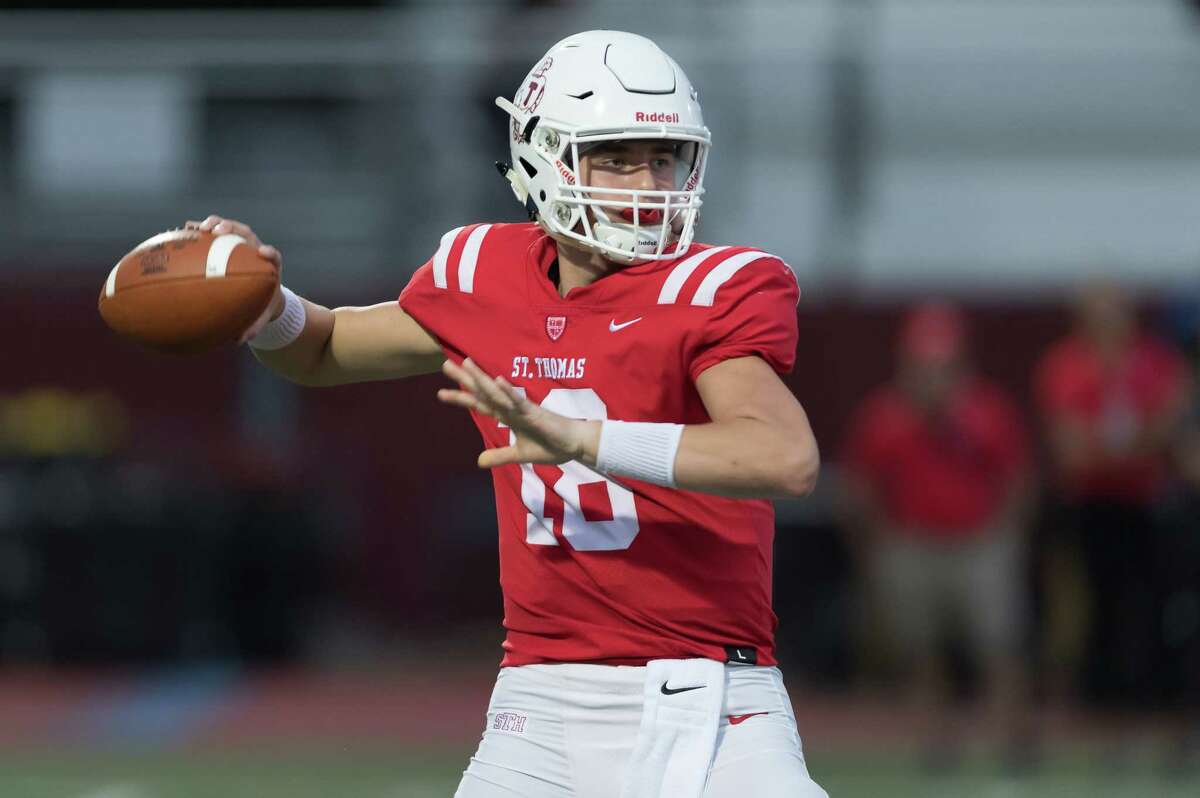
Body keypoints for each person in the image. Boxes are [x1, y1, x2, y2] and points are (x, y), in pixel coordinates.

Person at [186, 31, 825, 798]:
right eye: (619, 156)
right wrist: (265, 310)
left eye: (665, 157)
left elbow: (784, 455)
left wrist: (582, 439)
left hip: (709, 698)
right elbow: (324, 350)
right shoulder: (484, 272)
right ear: (544, 157)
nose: (650, 183)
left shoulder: (714, 286)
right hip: (540, 704)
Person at [839, 302, 1034, 769]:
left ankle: (1013, 741)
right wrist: (880, 547)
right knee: (922, 651)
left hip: (979, 543)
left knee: (1000, 645)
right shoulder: (884, 417)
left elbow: (1017, 480)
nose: (933, 378)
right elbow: (861, 490)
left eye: (943, 366)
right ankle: (937, 743)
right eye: (923, 366)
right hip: (911, 545)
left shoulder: (987, 412)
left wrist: (1005, 537)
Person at [1034, 282, 1189, 711]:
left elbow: (1172, 422)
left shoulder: (1156, 361)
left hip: (1146, 504)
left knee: (1152, 606)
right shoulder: (1066, 365)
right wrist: (1137, 443)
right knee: (1091, 608)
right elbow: (1070, 448)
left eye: (1115, 312)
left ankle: (1150, 701)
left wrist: (1115, 447)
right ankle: (1097, 705)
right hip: (1090, 505)